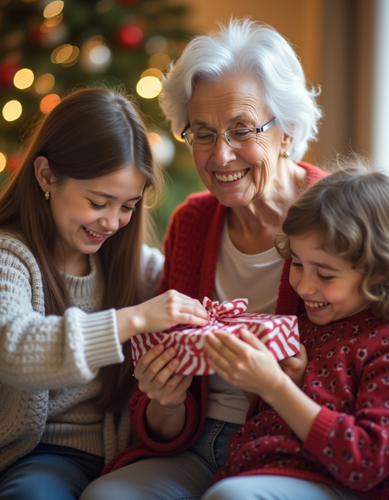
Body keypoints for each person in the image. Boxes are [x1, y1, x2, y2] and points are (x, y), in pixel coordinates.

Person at [81, 18, 326, 500]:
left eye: (241, 130)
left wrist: (291, 384)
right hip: (194, 449)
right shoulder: (193, 222)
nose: (221, 156)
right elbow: (165, 417)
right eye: (203, 133)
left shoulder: (341, 218)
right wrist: (164, 400)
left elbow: (362, 389)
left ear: (288, 131)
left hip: (288, 450)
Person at [0, 86, 209, 500]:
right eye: (99, 202)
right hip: (37, 455)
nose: (113, 222)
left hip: (125, 460)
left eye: (129, 206)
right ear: (46, 175)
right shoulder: (10, 257)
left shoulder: (135, 267)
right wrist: (134, 319)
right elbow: (16, 349)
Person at [198, 159, 389, 500]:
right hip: (261, 471)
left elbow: (367, 460)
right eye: (297, 264)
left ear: (379, 273)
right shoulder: (304, 327)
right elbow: (271, 424)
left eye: (325, 275)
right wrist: (275, 383)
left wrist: (274, 388)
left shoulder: (381, 344)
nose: (303, 286)